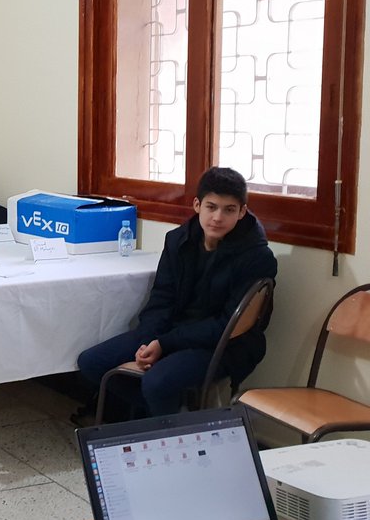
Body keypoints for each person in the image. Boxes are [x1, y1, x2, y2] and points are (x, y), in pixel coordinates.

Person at [76, 167, 278, 418]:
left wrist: (165, 343)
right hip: (173, 332)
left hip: (225, 345)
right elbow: (162, 297)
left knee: (157, 383)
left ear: (242, 212)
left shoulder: (257, 257)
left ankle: (168, 432)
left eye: (229, 210)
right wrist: (149, 341)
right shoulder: (178, 240)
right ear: (197, 205)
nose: (217, 217)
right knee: (90, 362)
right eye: (211, 207)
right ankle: (172, 415)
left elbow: (227, 325)